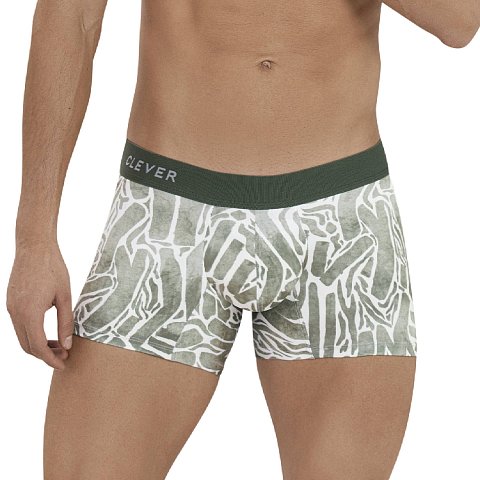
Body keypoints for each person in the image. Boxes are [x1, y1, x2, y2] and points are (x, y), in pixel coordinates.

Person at [6, 0, 479, 479]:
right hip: (168, 222)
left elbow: (460, 20)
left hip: (340, 226)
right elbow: (71, 16)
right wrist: (34, 239)